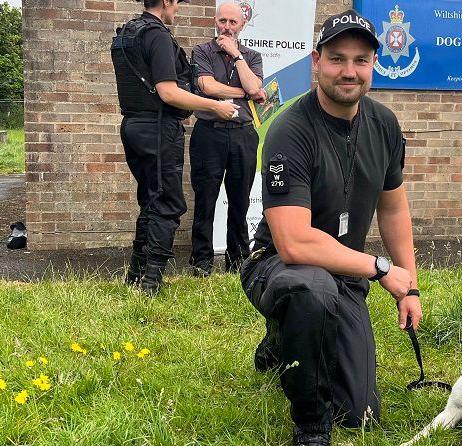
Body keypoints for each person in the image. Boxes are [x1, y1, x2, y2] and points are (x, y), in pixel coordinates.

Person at [238, 10, 422, 446]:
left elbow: (393, 211)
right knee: (311, 290)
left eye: (360, 60)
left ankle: (283, 340)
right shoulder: (289, 130)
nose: (349, 71)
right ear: (316, 61)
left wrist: (409, 285)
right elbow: (295, 242)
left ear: (373, 64)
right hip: (278, 266)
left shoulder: (384, 125)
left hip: (345, 273)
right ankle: (310, 425)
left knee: (360, 414)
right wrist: (379, 268)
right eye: (337, 58)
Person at [111, 0, 238, 295]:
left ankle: (135, 275)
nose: (177, 9)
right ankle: (151, 284)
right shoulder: (155, 34)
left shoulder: (128, 32)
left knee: (151, 200)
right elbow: (169, 92)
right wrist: (215, 106)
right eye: (177, 3)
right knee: (167, 204)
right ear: (167, 1)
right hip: (158, 129)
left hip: (133, 126)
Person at [188, 2, 265, 276]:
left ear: (242, 25)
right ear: (215, 21)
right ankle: (202, 263)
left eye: (233, 22)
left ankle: (237, 262)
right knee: (205, 199)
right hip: (209, 134)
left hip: (243, 135)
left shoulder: (252, 56)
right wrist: (243, 92)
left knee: (240, 201)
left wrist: (236, 55)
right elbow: (206, 86)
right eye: (223, 21)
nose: (227, 27)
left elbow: (256, 86)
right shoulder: (202, 51)